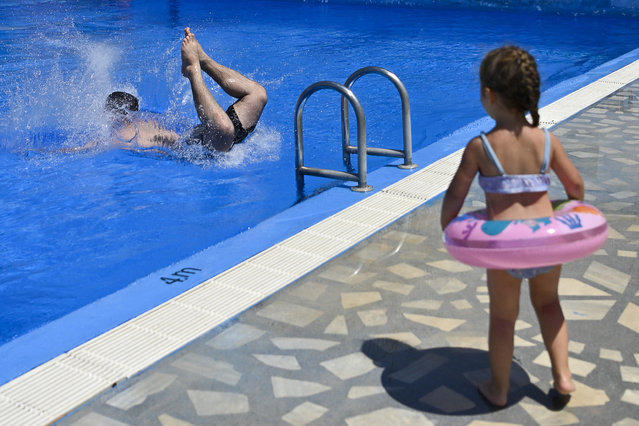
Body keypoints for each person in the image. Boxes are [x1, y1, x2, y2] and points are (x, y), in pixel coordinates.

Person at [440, 45, 584, 407]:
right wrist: (565, 212)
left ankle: (499, 389)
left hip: (505, 248)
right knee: (549, 304)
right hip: (546, 243)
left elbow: (455, 196)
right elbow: (576, 188)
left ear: (489, 95)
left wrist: (450, 229)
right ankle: (563, 378)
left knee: (504, 318)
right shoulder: (547, 141)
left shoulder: (481, 147)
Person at [105, 27, 267, 153]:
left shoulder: (119, 133)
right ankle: (204, 61)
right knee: (258, 94)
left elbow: (93, 148)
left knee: (225, 127)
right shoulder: (150, 117)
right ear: (136, 108)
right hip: (206, 138)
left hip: (203, 149)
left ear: (111, 114)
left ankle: (195, 69)